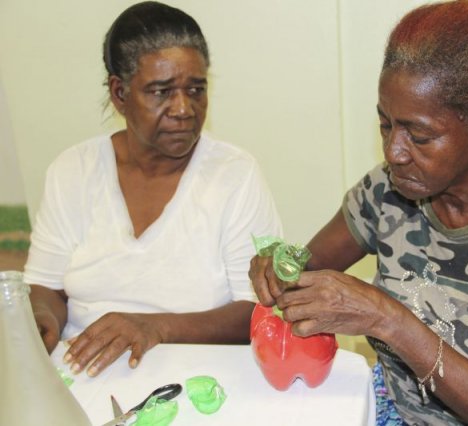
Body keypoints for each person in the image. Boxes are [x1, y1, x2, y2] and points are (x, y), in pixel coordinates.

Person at [250, 1, 468, 424]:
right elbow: (304, 272)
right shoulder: (388, 189)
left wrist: (386, 319)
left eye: (419, 135)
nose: (394, 152)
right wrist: (280, 267)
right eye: (386, 124)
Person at [24, 1, 282, 378]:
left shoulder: (234, 175)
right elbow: (46, 288)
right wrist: (40, 322)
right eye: (161, 92)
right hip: (84, 370)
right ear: (119, 93)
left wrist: (155, 328)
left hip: (202, 377)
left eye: (196, 89)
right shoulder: (73, 170)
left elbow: (257, 312)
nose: (184, 109)